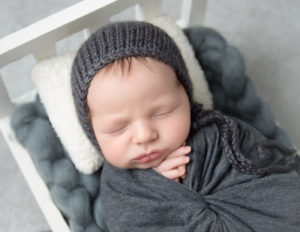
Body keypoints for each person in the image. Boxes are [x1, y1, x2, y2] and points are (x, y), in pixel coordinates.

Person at [71, 21, 300, 231]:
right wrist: (156, 184)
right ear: (93, 133)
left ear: (185, 97)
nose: (144, 136)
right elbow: (126, 221)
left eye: (162, 112)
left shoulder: (218, 133)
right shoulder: (118, 185)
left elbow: (267, 174)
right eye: (118, 128)